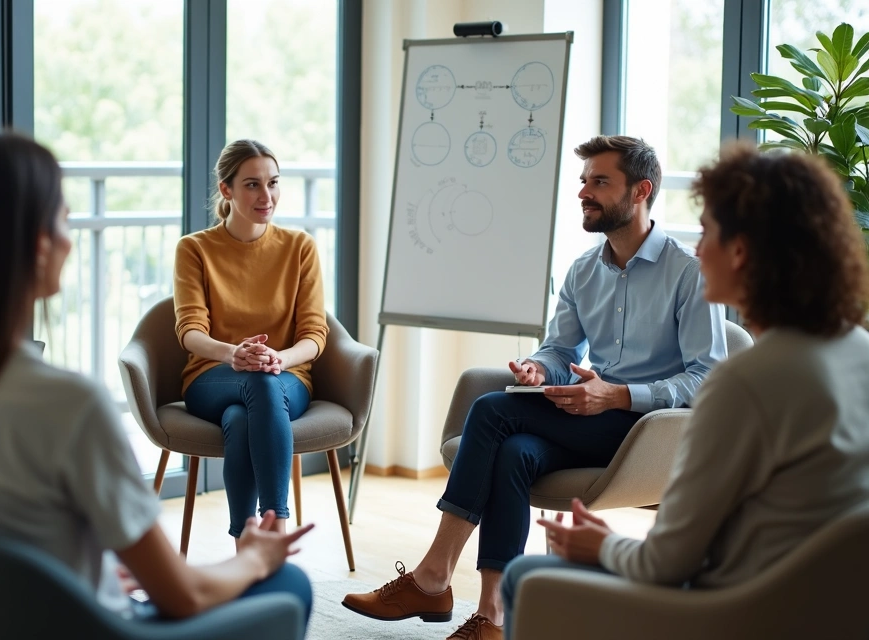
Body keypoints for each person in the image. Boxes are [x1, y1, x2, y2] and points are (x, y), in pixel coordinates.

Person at [0, 134, 314, 626]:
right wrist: (256, 558)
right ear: (40, 243)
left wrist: (79, 574)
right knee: (289, 582)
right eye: (64, 218)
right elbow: (183, 594)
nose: (72, 237)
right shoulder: (67, 404)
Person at [343, 135, 728, 640]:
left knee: (490, 411)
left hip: (648, 430)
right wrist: (540, 372)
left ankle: (433, 576)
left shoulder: (689, 274)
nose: (584, 192)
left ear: (641, 191)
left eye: (599, 181)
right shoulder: (584, 270)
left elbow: (707, 379)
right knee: (515, 453)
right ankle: (493, 616)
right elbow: (562, 351)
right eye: (584, 181)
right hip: (588, 419)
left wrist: (617, 395)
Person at [501, 143, 869, 637]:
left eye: (708, 232)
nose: (697, 249)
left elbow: (666, 562)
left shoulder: (744, 384)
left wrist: (603, 545)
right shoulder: (857, 350)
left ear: (739, 252)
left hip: (732, 609)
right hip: (824, 605)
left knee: (525, 576)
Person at [174, 139, 329, 542]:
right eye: (252, 185)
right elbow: (190, 331)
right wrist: (234, 355)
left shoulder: (300, 247)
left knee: (243, 415)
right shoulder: (194, 249)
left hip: (287, 376)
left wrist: (278, 357)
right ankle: (276, 528)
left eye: (273, 183)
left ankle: (248, 541)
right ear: (226, 190)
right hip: (211, 377)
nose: (267, 196)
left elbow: (314, 334)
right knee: (257, 382)